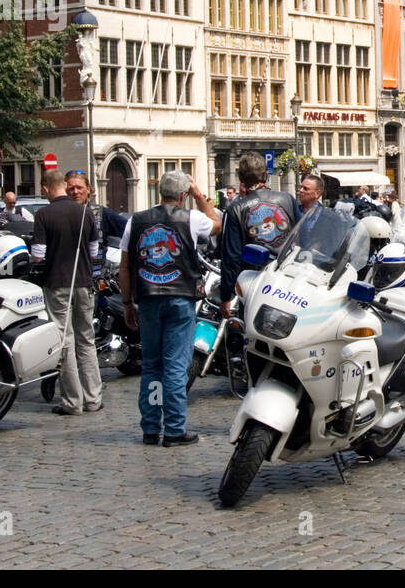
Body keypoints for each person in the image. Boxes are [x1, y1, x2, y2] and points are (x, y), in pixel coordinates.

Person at [119, 171, 220, 445]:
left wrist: (127, 302)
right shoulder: (192, 218)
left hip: (148, 298)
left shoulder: (135, 221)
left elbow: (125, 267)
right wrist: (200, 196)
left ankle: (151, 428)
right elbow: (216, 223)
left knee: (151, 365)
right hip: (180, 297)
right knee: (176, 367)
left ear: (159, 192)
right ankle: (175, 429)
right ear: (183, 196)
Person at [31, 169, 103, 416]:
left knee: (64, 342)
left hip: (57, 284)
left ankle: (73, 401)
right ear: (64, 185)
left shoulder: (43, 214)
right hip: (84, 282)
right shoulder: (86, 213)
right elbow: (94, 252)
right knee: (87, 340)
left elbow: (38, 255)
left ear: (45, 189)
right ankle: (93, 398)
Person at [219, 152, 298, 318]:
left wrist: (226, 296)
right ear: (266, 175)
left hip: (253, 283)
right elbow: (303, 238)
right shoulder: (287, 199)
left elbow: (231, 257)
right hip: (286, 282)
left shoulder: (236, 208)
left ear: (241, 178)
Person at [65, 170, 127, 246]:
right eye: (71, 188)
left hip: (97, 257)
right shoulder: (60, 214)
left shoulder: (101, 213)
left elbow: (130, 231)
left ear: (88, 189)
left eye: (79, 187)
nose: (75, 192)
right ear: (66, 191)